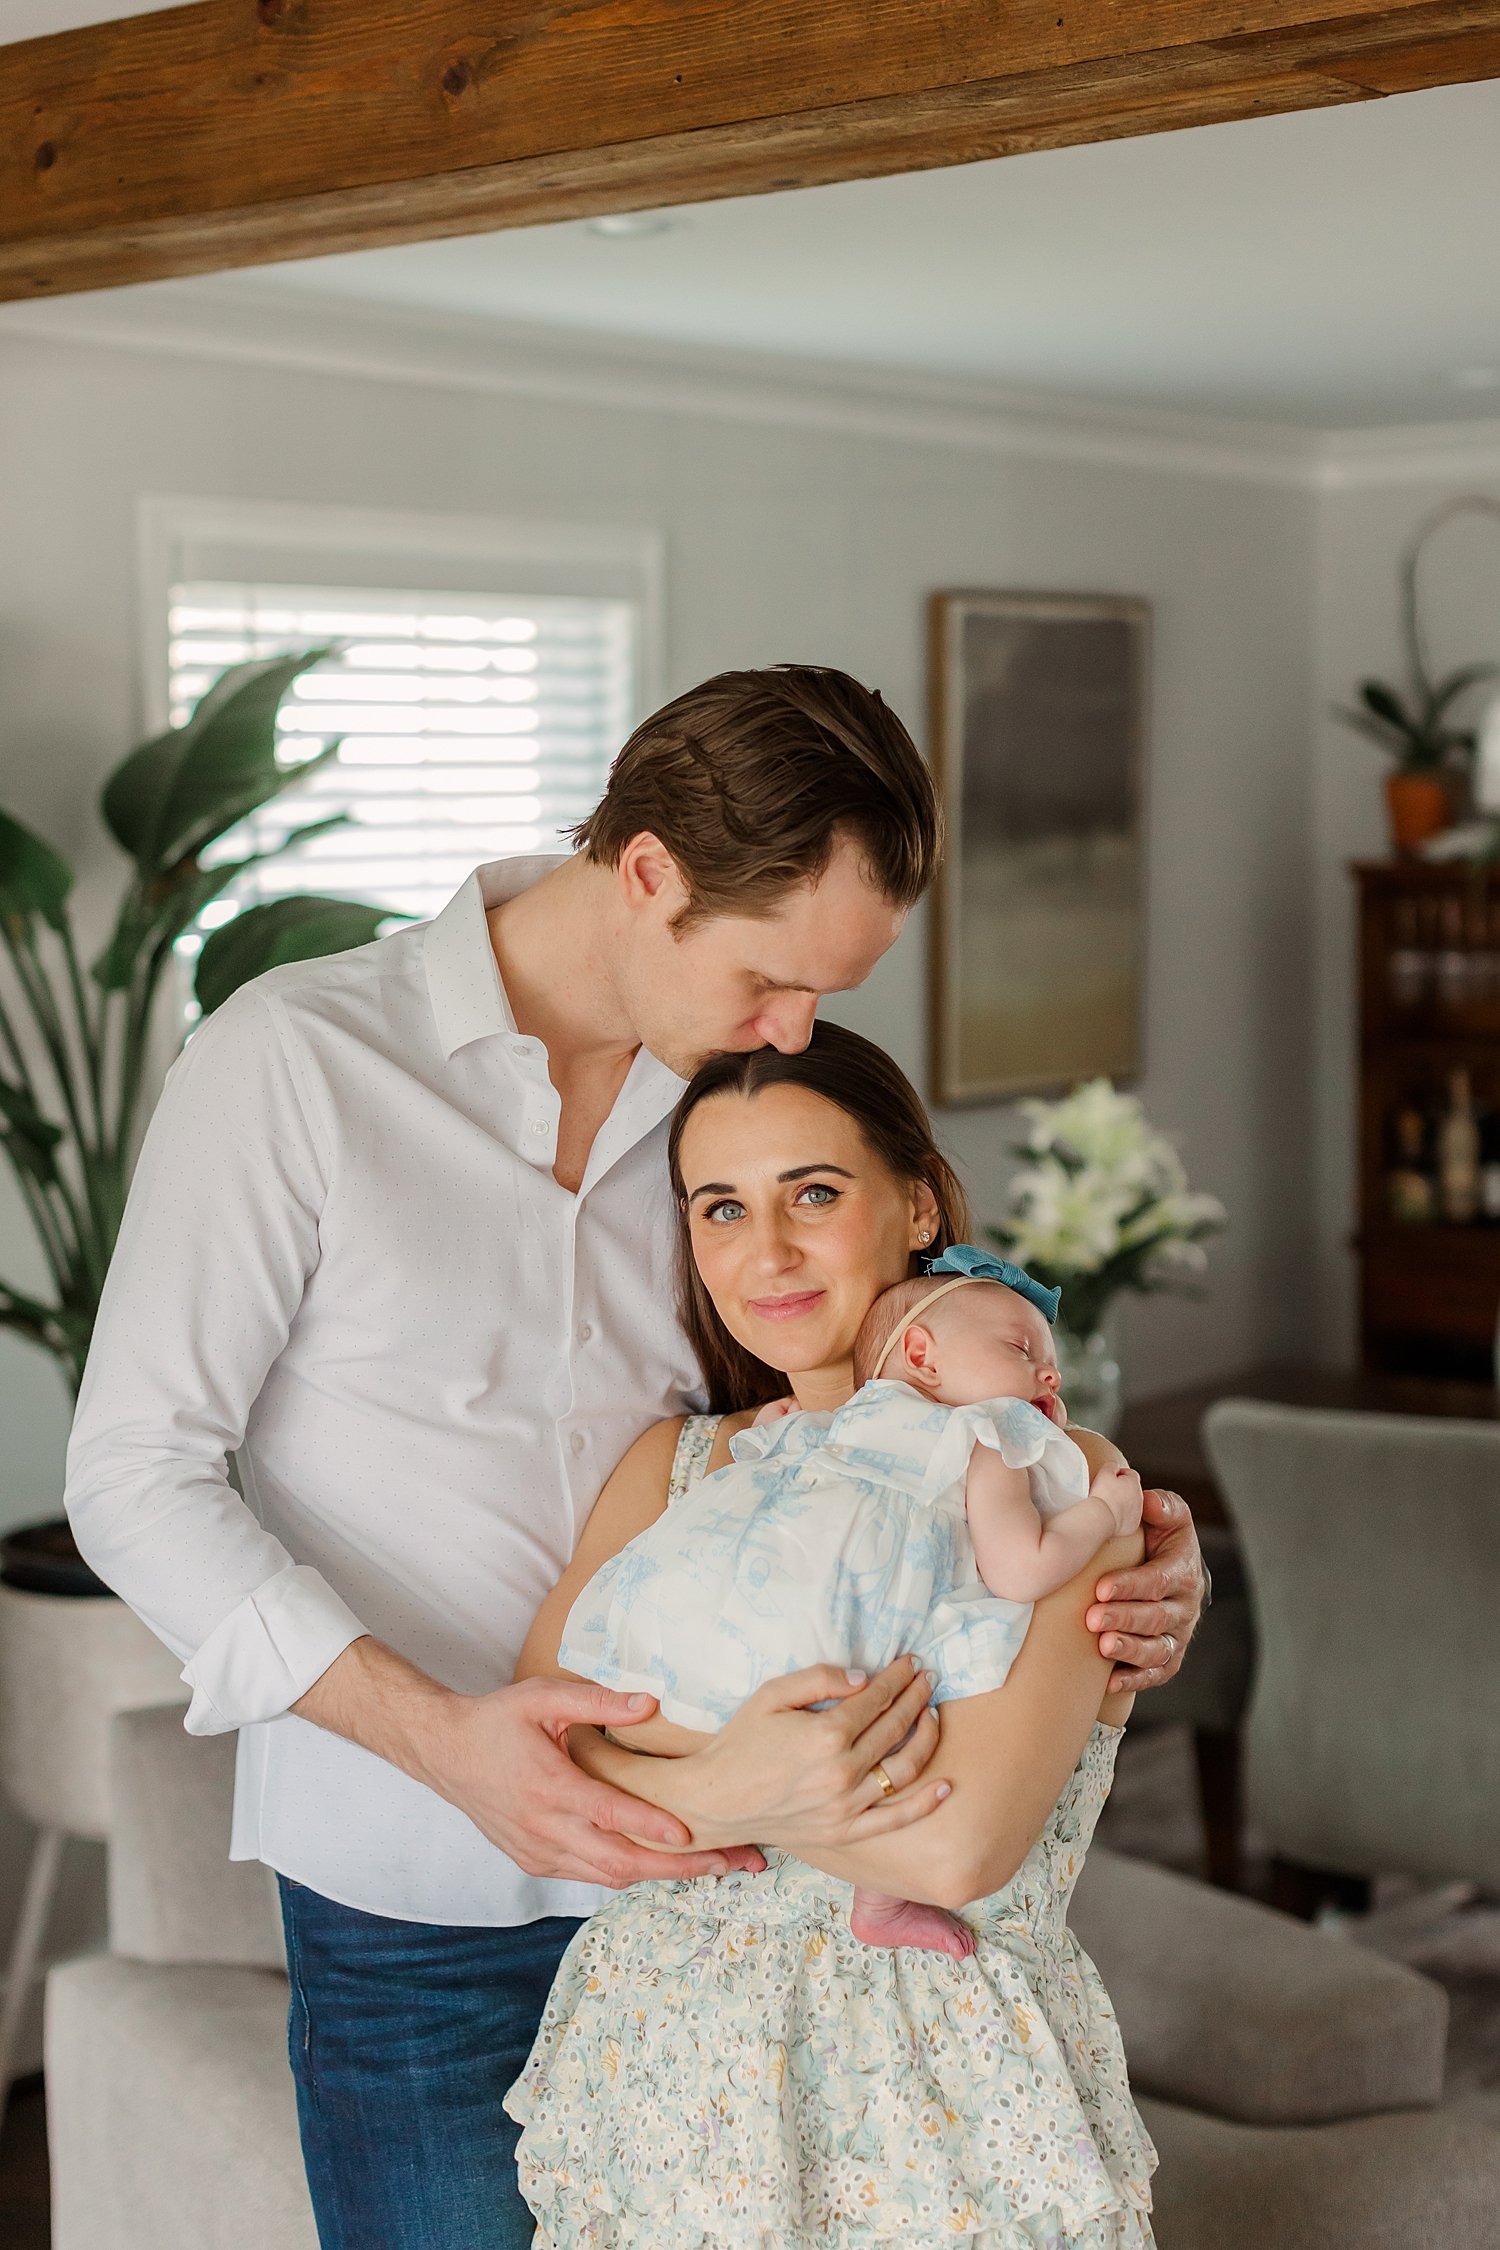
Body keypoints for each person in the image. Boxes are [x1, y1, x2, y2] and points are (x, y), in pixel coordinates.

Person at [65, 666, 1204, 2249]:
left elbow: (916, 1388)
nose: (799, 1026)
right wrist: (448, 1738)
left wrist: (1136, 1533)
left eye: (825, 992)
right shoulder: (296, 1063)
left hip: (760, 1894)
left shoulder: (738, 1107)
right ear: (652, 871)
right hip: (423, 1903)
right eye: (774, 979)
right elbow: (131, 1472)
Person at [506, 1026, 1160, 2247]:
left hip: (930, 2101)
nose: (767, 1253)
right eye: (720, 1209)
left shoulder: (1051, 1473)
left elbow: (960, 1849)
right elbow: (537, 1760)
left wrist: (681, 1789)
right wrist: (750, 1779)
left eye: (813, 1192)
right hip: (664, 2087)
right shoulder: (675, 1468)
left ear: (916, 1204)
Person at [556, 1242, 1144, 1960]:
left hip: (752, 1629)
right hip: (852, 1645)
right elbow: (1022, 1568)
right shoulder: (989, 1435)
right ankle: (880, 1895)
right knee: (908, 1711)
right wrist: (1102, 1516)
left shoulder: (828, 1426)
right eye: (1022, 1349)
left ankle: (729, 1782)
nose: (1049, 1372)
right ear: (923, 1355)